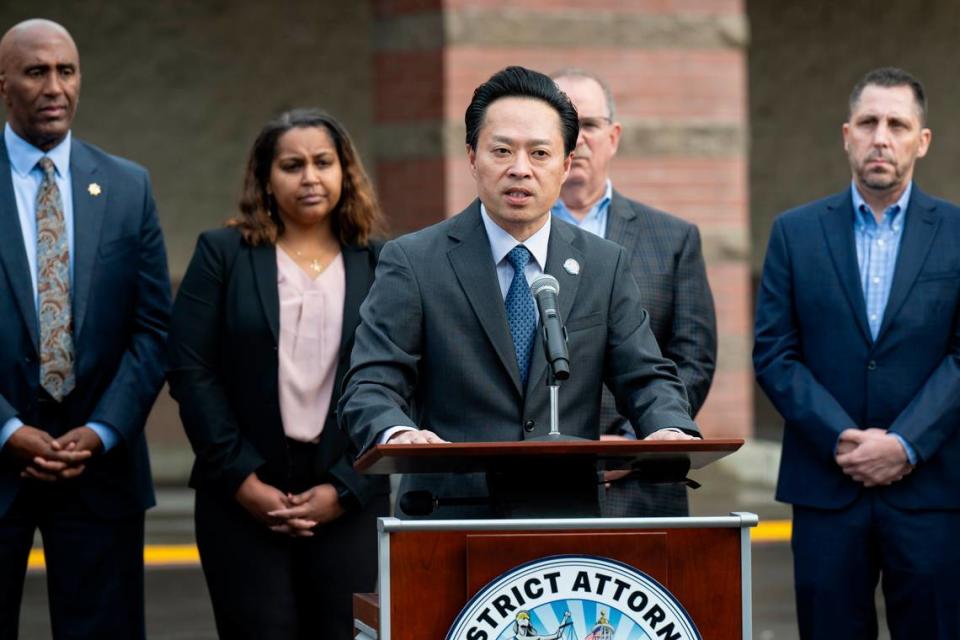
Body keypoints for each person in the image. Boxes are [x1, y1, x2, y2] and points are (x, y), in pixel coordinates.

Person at [339, 66, 698, 520]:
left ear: (566, 164)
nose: (520, 170)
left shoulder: (603, 265)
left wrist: (667, 427)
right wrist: (396, 432)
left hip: (565, 514)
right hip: (447, 515)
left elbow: (646, 375)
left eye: (540, 153)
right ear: (472, 157)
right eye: (502, 150)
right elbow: (370, 383)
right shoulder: (414, 260)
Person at [753, 67, 960, 639]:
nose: (881, 137)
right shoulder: (794, 233)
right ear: (847, 134)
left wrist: (905, 444)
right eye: (869, 122)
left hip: (932, 492)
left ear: (922, 141)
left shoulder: (958, 233)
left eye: (898, 124)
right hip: (826, 488)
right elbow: (774, 352)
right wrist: (842, 438)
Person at [167, 108, 388, 640]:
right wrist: (243, 479)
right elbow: (190, 370)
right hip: (241, 492)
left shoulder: (381, 261)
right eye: (292, 165)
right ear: (266, 177)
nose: (310, 177)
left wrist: (345, 487)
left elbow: (404, 381)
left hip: (348, 492)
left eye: (322, 162)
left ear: (345, 172)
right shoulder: (223, 255)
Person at [0, 19, 171, 639]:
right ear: (4, 84)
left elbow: (154, 329)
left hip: (100, 469)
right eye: (35, 71)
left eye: (66, 71)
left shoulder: (128, 186)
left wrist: (103, 430)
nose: (54, 87)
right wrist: (8, 429)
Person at [551, 69, 716, 517]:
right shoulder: (508, 237)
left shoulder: (673, 238)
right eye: (565, 123)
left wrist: (633, 440)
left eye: (589, 124)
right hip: (536, 478)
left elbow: (693, 358)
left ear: (614, 136)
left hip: (643, 483)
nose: (578, 137)